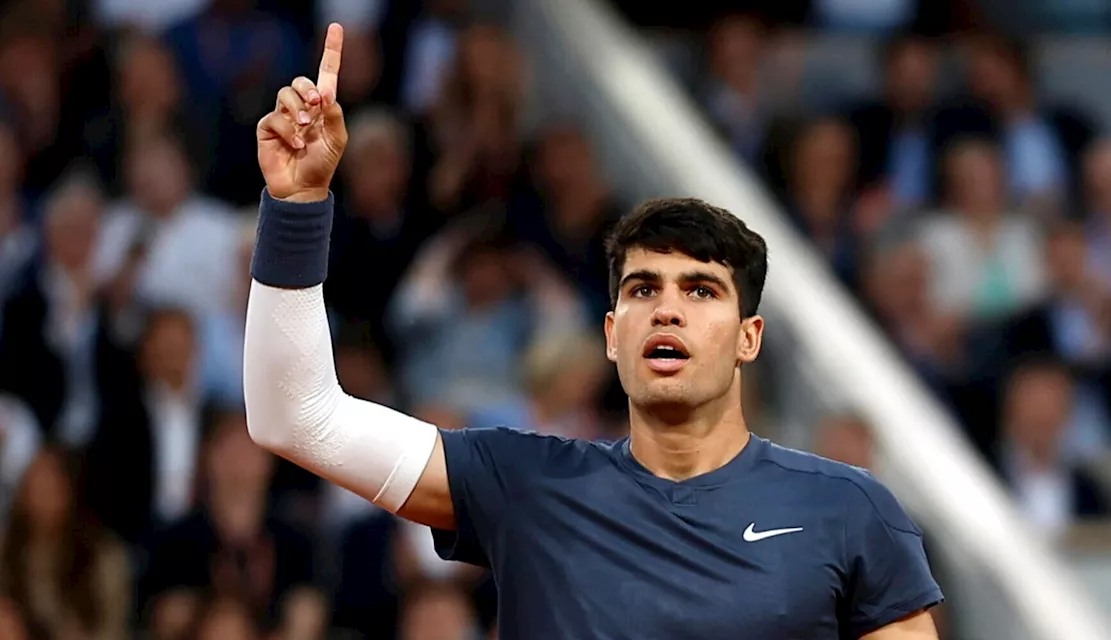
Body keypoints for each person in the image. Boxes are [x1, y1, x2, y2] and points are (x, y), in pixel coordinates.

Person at [245, 23, 943, 639]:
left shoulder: (848, 509)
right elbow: (297, 417)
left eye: (701, 291)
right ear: (612, 335)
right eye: (643, 290)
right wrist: (298, 206)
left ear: (748, 338)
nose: (667, 309)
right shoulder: (523, 483)